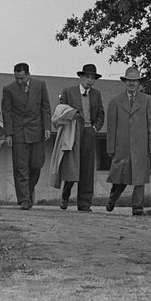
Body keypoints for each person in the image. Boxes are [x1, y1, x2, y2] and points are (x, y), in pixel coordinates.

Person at [104, 66, 151, 216]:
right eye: (129, 80)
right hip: (122, 146)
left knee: (139, 177)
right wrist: (110, 147)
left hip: (141, 145)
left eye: (135, 81)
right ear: (124, 82)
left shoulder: (147, 100)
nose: (132, 83)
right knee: (120, 176)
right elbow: (111, 126)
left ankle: (137, 206)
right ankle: (112, 198)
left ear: (139, 83)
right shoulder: (115, 101)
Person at [1, 63, 52, 210]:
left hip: (37, 131)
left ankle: (28, 192)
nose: (19, 81)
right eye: (17, 78)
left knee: (36, 164)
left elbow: (45, 107)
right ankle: (24, 199)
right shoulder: (8, 89)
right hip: (19, 132)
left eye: (22, 78)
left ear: (28, 74)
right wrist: (8, 134)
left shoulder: (40, 85)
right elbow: (7, 113)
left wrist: (47, 127)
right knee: (21, 167)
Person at [56, 63, 105, 212]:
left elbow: (101, 114)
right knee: (72, 167)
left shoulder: (96, 94)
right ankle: (65, 196)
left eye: (92, 78)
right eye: (87, 77)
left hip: (89, 132)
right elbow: (60, 111)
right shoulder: (68, 92)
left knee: (87, 169)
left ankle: (84, 204)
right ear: (81, 77)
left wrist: (96, 127)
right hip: (73, 133)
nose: (89, 80)